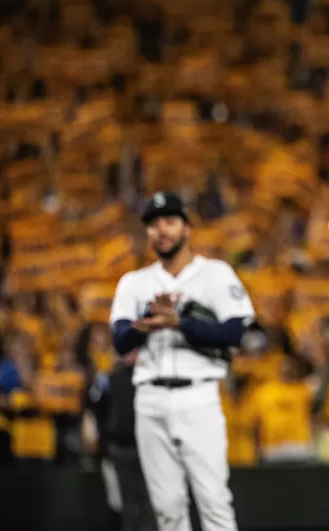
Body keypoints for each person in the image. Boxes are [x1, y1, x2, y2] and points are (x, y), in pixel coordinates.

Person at [108, 191, 255, 531]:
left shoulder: (216, 274)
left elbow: (234, 333)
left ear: (187, 228)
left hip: (198, 396)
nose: (162, 230)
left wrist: (180, 323)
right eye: (154, 224)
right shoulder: (135, 283)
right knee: (167, 509)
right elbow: (120, 340)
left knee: (214, 501)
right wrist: (148, 318)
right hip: (149, 399)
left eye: (170, 222)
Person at [84, 349, 158, 531]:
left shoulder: (151, 378)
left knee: (150, 504)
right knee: (120, 503)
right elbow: (94, 409)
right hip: (116, 448)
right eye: (128, 350)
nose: (132, 355)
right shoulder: (107, 379)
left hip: (148, 448)